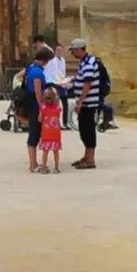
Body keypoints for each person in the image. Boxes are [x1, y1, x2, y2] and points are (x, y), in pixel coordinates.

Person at [69, 40, 104, 171]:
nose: (72, 53)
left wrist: (80, 102)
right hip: (86, 102)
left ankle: (90, 159)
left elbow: (87, 84)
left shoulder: (89, 63)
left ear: (79, 50)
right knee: (83, 130)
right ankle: (86, 156)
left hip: (88, 103)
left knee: (88, 130)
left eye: (73, 50)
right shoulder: (84, 62)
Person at [23, 47, 50, 174]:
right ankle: (33, 164)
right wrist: (42, 107)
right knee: (34, 134)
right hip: (35, 106)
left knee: (34, 133)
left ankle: (33, 163)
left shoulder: (30, 68)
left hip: (31, 104)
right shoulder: (38, 73)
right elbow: (38, 91)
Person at [38, 84, 64, 174]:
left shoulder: (43, 108)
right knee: (55, 151)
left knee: (45, 151)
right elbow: (58, 117)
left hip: (46, 132)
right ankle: (56, 168)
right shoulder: (58, 108)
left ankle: (44, 167)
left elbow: (40, 119)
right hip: (56, 133)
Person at [46, 44, 70, 125]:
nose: (59, 52)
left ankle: (65, 122)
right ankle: (57, 122)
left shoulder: (63, 60)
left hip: (63, 83)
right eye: (57, 50)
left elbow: (63, 71)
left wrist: (65, 80)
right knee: (57, 103)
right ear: (55, 51)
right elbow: (55, 72)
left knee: (65, 103)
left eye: (60, 50)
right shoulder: (53, 61)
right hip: (56, 83)